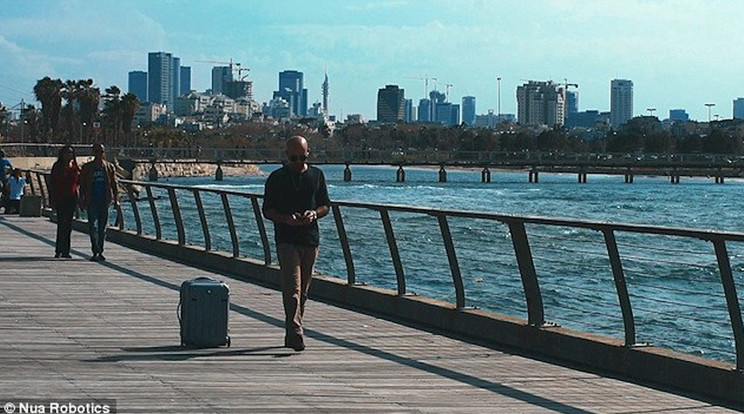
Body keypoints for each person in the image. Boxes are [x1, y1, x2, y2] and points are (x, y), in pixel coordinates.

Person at [263, 136, 331, 351]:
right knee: (292, 287)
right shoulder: (276, 178)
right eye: (294, 158)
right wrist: (286, 219)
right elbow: (267, 210)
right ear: (286, 156)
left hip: (310, 239)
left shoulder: (317, 175)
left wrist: (314, 214)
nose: (298, 162)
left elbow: (325, 205)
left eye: (302, 157)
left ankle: (292, 328)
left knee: (303, 291)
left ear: (308, 154)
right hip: (286, 239)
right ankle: (295, 332)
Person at [79, 143, 118, 262]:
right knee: (93, 227)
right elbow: (82, 185)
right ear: (93, 153)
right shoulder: (87, 168)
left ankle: (100, 250)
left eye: (101, 151)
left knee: (102, 228)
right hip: (91, 201)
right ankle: (94, 250)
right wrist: (81, 199)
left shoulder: (109, 167)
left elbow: (114, 184)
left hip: (104, 201)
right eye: (96, 151)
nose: (99, 154)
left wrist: (116, 200)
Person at [50, 145, 80, 258]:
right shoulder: (57, 167)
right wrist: (52, 200)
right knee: (61, 224)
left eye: (71, 153)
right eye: (67, 153)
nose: (69, 155)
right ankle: (59, 250)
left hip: (71, 198)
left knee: (68, 225)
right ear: (62, 154)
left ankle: (66, 251)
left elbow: (78, 182)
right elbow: (52, 183)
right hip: (60, 198)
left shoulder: (75, 167)